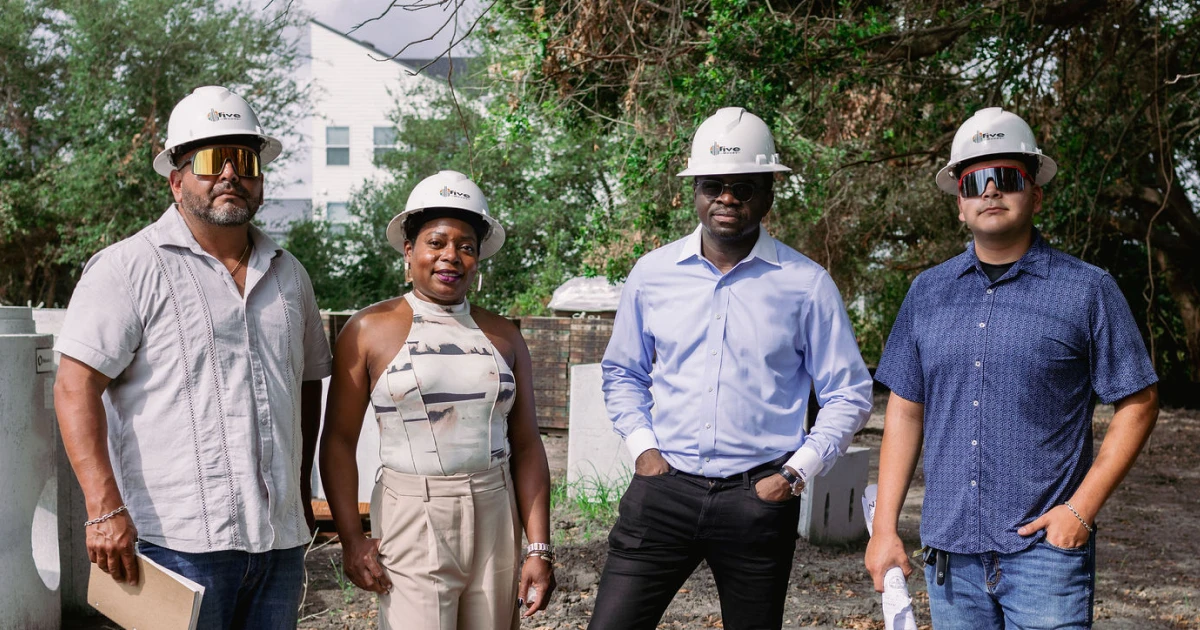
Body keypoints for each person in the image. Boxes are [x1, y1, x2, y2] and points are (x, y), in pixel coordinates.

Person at [865, 107, 1160, 628]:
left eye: (1007, 178)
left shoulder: (1088, 289)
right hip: (951, 559)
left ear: (1036, 194)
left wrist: (1080, 510)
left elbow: (1138, 400)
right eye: (975, 181)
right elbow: (906, 412)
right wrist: (884, 529)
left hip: (1046, 556)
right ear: (960, 204)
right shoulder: (926, 293)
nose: (990, 191)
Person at [53, 85, 332, 628]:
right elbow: (73, 386)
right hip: (172, 544)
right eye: (209, 160)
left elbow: (305, 384)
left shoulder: (290, 275)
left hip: (277, 548)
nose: (230, 174)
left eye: (244, 160)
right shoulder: (126, 269)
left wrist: (299, 496)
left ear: (260, 178)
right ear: (177, 179)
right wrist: (103, 510)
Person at [590, 107, 874, 630]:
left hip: (757, 498)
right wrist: (643, 450)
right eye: (714, 185)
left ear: (768, 193)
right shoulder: (651, 275)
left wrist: (794, 474)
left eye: (743, 187)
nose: (727, 198)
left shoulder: (805, 285)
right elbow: (623, 372)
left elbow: (849, 392)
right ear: (694, 190)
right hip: (663, 490)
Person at [319, 170, 556, 629]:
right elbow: (339, 440)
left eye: (466, 246)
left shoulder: (503, 335)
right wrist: (352, 538)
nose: (451, 256)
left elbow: (527, 444)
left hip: (494, 509)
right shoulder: (369, 330)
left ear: (479, 259)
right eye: (436, 242)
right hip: (411, 512)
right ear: (409, 251)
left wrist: (538, 546)